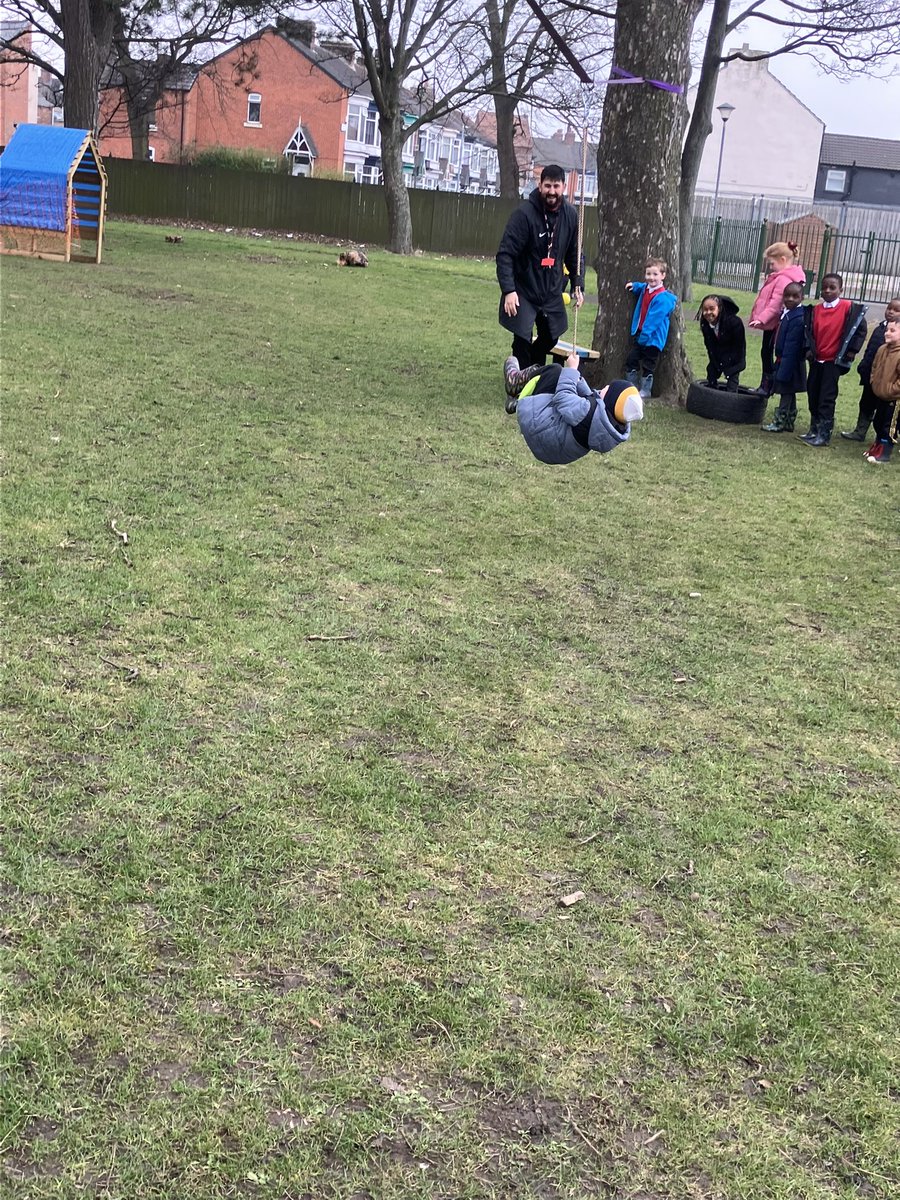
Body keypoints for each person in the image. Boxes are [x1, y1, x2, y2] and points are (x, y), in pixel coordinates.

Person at [496, 165, 584, 382]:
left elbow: (575, 254)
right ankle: (519, 382)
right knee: (523, 337)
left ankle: (534, 371)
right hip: (524, 288)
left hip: (551, 289)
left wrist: (577, 283)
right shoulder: (524, 215)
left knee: (552, 335)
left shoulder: (571, 216)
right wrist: (509, 290)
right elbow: (505, 254)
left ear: (563, 186)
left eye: (556, 186)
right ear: (540, 185)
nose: (551, 191)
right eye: (547, 186)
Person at [503, 353, 643, 465]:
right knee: (563, 381)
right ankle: (515, 403)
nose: (605, 387)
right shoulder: (607, 423)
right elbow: (587, 396)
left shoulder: (586, 413)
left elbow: (563, 397)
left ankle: (514, 381)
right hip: (552, 447)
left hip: (539, 429)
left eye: (609, 389)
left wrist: (571, 370)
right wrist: (576, 377)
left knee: (554, 372)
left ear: (611, 399)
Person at [798, 273, 867, 448]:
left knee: (826, 397)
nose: (827, 291)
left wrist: (852, 351)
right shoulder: (815, 311)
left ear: (840, 290)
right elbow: (808, 333)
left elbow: (860, 329)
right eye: (825, 287)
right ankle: (814, 428)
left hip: (833, 362)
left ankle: (824, 433)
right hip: (817, 360)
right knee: (813, 393)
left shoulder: (848, 308)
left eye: (832, 287)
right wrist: (808, 350)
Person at [748, 241, 806, 396]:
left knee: (767, 352)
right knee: (765, 352)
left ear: (782, 260)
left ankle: (767, 385)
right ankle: (766, 384)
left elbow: (775, 304)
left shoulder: (783, 279)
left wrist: (762, 318)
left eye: (772, 263)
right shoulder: (780, 277)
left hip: (774, 325)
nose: (771, 267)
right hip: (772, 323)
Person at [840, 297, 900, 442]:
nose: (891, 312)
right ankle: (860, 430)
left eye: (896, 310)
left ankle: (888, 437)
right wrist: (864, 367)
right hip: (872, 376)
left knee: (885, 412)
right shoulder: (880, 329)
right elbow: (871, 350)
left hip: (888, 381)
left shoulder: (896, 334)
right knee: (866, 403)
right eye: (889, 308)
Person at [624, 257, 678, 399]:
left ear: (663, 276)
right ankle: (632, 387)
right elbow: (643, 287)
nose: (651, 278)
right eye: (648, 274)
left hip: (653, 339)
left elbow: (653, 321)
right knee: (631, 360)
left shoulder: (663, 298)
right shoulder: (646, 289)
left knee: (649, 365)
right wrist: (635, 286)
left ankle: (646, 390)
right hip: (641, 334)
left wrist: (644, 337)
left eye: (655, 274)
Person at [761, 282, 807, 432]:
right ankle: (788, 421)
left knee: (785, 391)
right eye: (787, 296)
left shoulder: (798, 318)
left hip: (790, 361)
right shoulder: (787, 314)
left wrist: (784, 368)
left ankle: (780, 421)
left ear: (802, 297)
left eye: (795, 296)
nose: (790, 299)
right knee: (789, 391)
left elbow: (792, 345)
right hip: (784, 359)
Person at [863, 316, 900, 464]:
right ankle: (877, 446)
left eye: (893, 330)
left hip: (894, 398)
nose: (887, 333)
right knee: (878, 422)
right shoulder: (882, 349)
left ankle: (885, 452)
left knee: (889, 425)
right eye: (887, 330)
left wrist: (892, 390)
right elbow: (874, 368)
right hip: (880, 394)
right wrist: (874, 382)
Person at [697, 294, 746, 390]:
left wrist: (730, 367)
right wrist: (715, 362)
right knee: (711, 373)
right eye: (705, 310)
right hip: (717, 357)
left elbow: (739, 347)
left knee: (732, 383)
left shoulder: (735, 323)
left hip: (734, 359)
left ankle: (730, 400)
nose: (708, 313)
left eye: (712, 309)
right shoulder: (705, 325)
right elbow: (709, 346)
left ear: (719, 308)